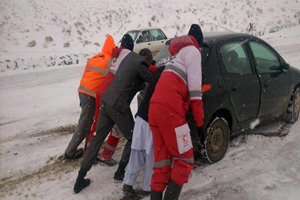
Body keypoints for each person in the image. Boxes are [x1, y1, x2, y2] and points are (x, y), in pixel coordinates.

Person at [73, 34, 153, 194]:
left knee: (96, 138)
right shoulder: (140, 63)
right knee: (133, 137)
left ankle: (80, 179)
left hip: (105, 101)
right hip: (118, 104)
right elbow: (153, 79)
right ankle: (120, 172)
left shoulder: (125, 60)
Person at [148, 24, 205, 200]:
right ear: (198, 42)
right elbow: (195, 92)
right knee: (185, 160)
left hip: (155, 108)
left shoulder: (177, 55)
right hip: (170, 109)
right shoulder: (194, 52)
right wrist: (200, 123)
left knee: (162, 162)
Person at [64, 35, 115, 160]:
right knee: (85, 123)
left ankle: (88, 147)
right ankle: (70, 152)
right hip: (92, 94)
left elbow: (86, 74)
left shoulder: (94, 57)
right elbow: (110, 80)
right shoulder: (110, 60)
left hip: (82, 91)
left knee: (89, 122)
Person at [122, 48, 159, 198]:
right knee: (150, 155)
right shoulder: (165, 79)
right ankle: (146, 187)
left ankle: (128, 182)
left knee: (136, 152)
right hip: (151, 120)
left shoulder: (155, 75)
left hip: (141, 117)